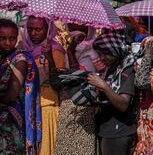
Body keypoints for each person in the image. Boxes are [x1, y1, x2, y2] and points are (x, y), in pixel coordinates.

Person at [55, 23, 100, 155]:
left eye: (83, 28)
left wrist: (71, 52)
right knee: (65, 144)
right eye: (73, 27)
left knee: (83, 144)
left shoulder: (93, 50)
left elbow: (80, 77)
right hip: (67, 102)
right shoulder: (62, 47)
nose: (78, 32)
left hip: (84, 103)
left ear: (90, 29)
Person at [88, 32, 136, 155]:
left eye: (105, 53)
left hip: (118, 132)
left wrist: (103, 86)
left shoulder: (127, 69)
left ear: (115, 51)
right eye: (99, 54)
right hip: (109, 129)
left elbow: (123, 103)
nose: (102, 58)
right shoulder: (112, 69)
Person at [23, 16, 66, 155]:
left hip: (47, 106)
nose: (33, 33)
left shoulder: (55, 50)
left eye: (38, 29)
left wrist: (49, 58)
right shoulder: (24, 50)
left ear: (48, 30)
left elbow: (59, 82)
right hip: (28, 108)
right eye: (29, 29)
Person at [0, 19, 41, 155]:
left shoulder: (20, 59)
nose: (8, 42)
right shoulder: (3, 58)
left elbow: (12, 93)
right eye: (3, 38)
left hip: (9, 120)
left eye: (12, 38)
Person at [131, 36, 153, 155]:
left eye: (149, 49)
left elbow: (141, 83)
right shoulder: (141, 67)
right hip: (143, 118)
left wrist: (147, 56)